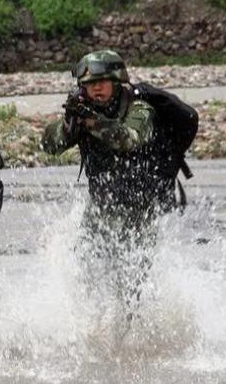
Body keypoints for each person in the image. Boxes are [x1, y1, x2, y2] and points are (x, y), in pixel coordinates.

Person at [42, 50, 173, 317]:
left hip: (139, 209)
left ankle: (135, 329)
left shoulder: (139, 109)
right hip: (101, 206)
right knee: (84, 270)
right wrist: (68, 125)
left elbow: (128, 139)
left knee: (131, 284)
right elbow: (50, 146)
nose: (96, 88)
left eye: (101, 82)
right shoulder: (82, 111)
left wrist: (92, 121)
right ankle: (94, 326)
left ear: (116, 81)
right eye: (89, 84)